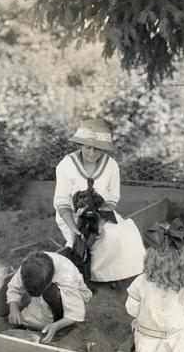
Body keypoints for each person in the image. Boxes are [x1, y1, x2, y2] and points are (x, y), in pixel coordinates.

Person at [53, 118, 145, 283]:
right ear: (81, 144)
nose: (92, 153)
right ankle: (92, 276)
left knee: (123, 234)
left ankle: (112, 273)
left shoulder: (111, 166)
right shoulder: (66, 165)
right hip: (74, 218)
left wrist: (101, 224)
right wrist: (73, 228)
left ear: (104, 149)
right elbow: (62, 202)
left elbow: (112, 199)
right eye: (88, 147)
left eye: (98, 149)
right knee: (86, 240)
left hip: (101, 215)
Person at [124, 219, 184, 352]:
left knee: (136, 322)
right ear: (181, 259)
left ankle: (139, 343)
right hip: (175, 345)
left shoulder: (140, 281)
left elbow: (131, 310)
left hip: (146, 345)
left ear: (149, 257)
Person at [6, 251, 92, 343]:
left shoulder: (67, 276)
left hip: (73, 296)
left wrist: (56, 326)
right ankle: (47, 318)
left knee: (51, 294)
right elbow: (14, 287)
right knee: (27, 321)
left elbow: (76, 311)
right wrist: (13, 308)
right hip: (44, 296)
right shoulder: (28, 265)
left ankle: (62, 324)